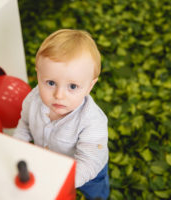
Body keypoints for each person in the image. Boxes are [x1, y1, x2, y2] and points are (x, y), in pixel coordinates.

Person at [13, 29, 109, 199]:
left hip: (86, 169)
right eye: (50, 83)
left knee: (95, 190)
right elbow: (25, 124)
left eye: (72, 87)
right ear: (38, 75)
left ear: (90, 86)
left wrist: (60, 182)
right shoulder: (33, 99)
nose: (59, 95)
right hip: (48, 160)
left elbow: (88, 163)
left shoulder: (92, 122)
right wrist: (18, 145)